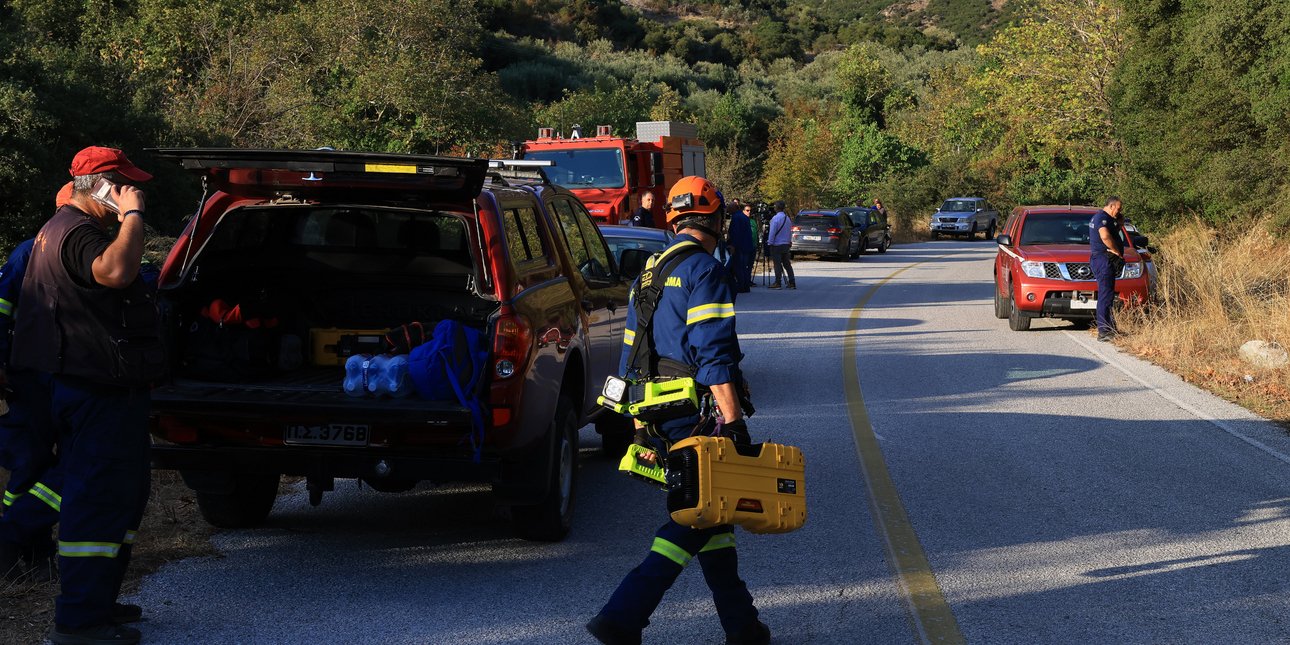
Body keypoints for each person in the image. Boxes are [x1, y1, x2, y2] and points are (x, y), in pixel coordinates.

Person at [587, 176, 768, 645]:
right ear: (716, 219)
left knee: (712, 514)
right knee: (693, 516)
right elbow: (715, 357)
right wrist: (734, 423)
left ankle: (743, 627)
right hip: (696, 415)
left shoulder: (649, 271)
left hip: (656, 411)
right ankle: (621, 616)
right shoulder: (706, 271)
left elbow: (631, 353)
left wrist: (638, 424)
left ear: (673, 219)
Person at [12, 147, 164, 645]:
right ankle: (79, 621)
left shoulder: (59, 230)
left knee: (119, 496)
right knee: (98, 500)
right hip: (97, 392)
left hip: (92, 388)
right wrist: (133, 216)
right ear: (100, 185)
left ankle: (98, 603)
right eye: (123, 184)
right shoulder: (77, 232)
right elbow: (116, 272)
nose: (131, 191)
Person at [0, 182, 76, 583]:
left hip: (72, 378)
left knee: (70, 464)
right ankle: (28, 545)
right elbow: (2, 307)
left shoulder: (90, 250)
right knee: (31, 461)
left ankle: (19, 538)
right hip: (33, 379)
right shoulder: (28, 253)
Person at [1089, 196, 1126, 342]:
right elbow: (1105, 236)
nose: (1119, 211)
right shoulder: (1102, 218)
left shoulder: (1104, 218)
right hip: (1103, 260)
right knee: (1105, 295)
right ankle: (1103, 331)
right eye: (1118, 208)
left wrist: (1119, 225)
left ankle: (1109, 328)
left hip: (1102, 260)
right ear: (1111, 206)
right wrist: (1116, 251)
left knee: (1108, 295)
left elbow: (1111, 232)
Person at [765, 201, 795, 290]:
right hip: (786, 244)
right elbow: (790, 231)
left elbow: (772, 232)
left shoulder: (775, 218)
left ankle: (778, 282)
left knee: (777, 264)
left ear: (776, 208)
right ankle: (792, 282)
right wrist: (789, 241)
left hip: (777, 244)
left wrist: (770, 242)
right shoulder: (787, 218)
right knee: (787, 264)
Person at [726, 202, 754, 294]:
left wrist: (733, 245)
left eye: (729, 208)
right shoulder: (744, 217)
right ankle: (746, 286)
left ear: (734, 208)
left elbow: (736, 232)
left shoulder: (736, 217)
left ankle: (741, 286)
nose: (728, 210)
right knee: (744, 266)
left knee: (738, 266)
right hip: (746, 245)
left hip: (739, 246)